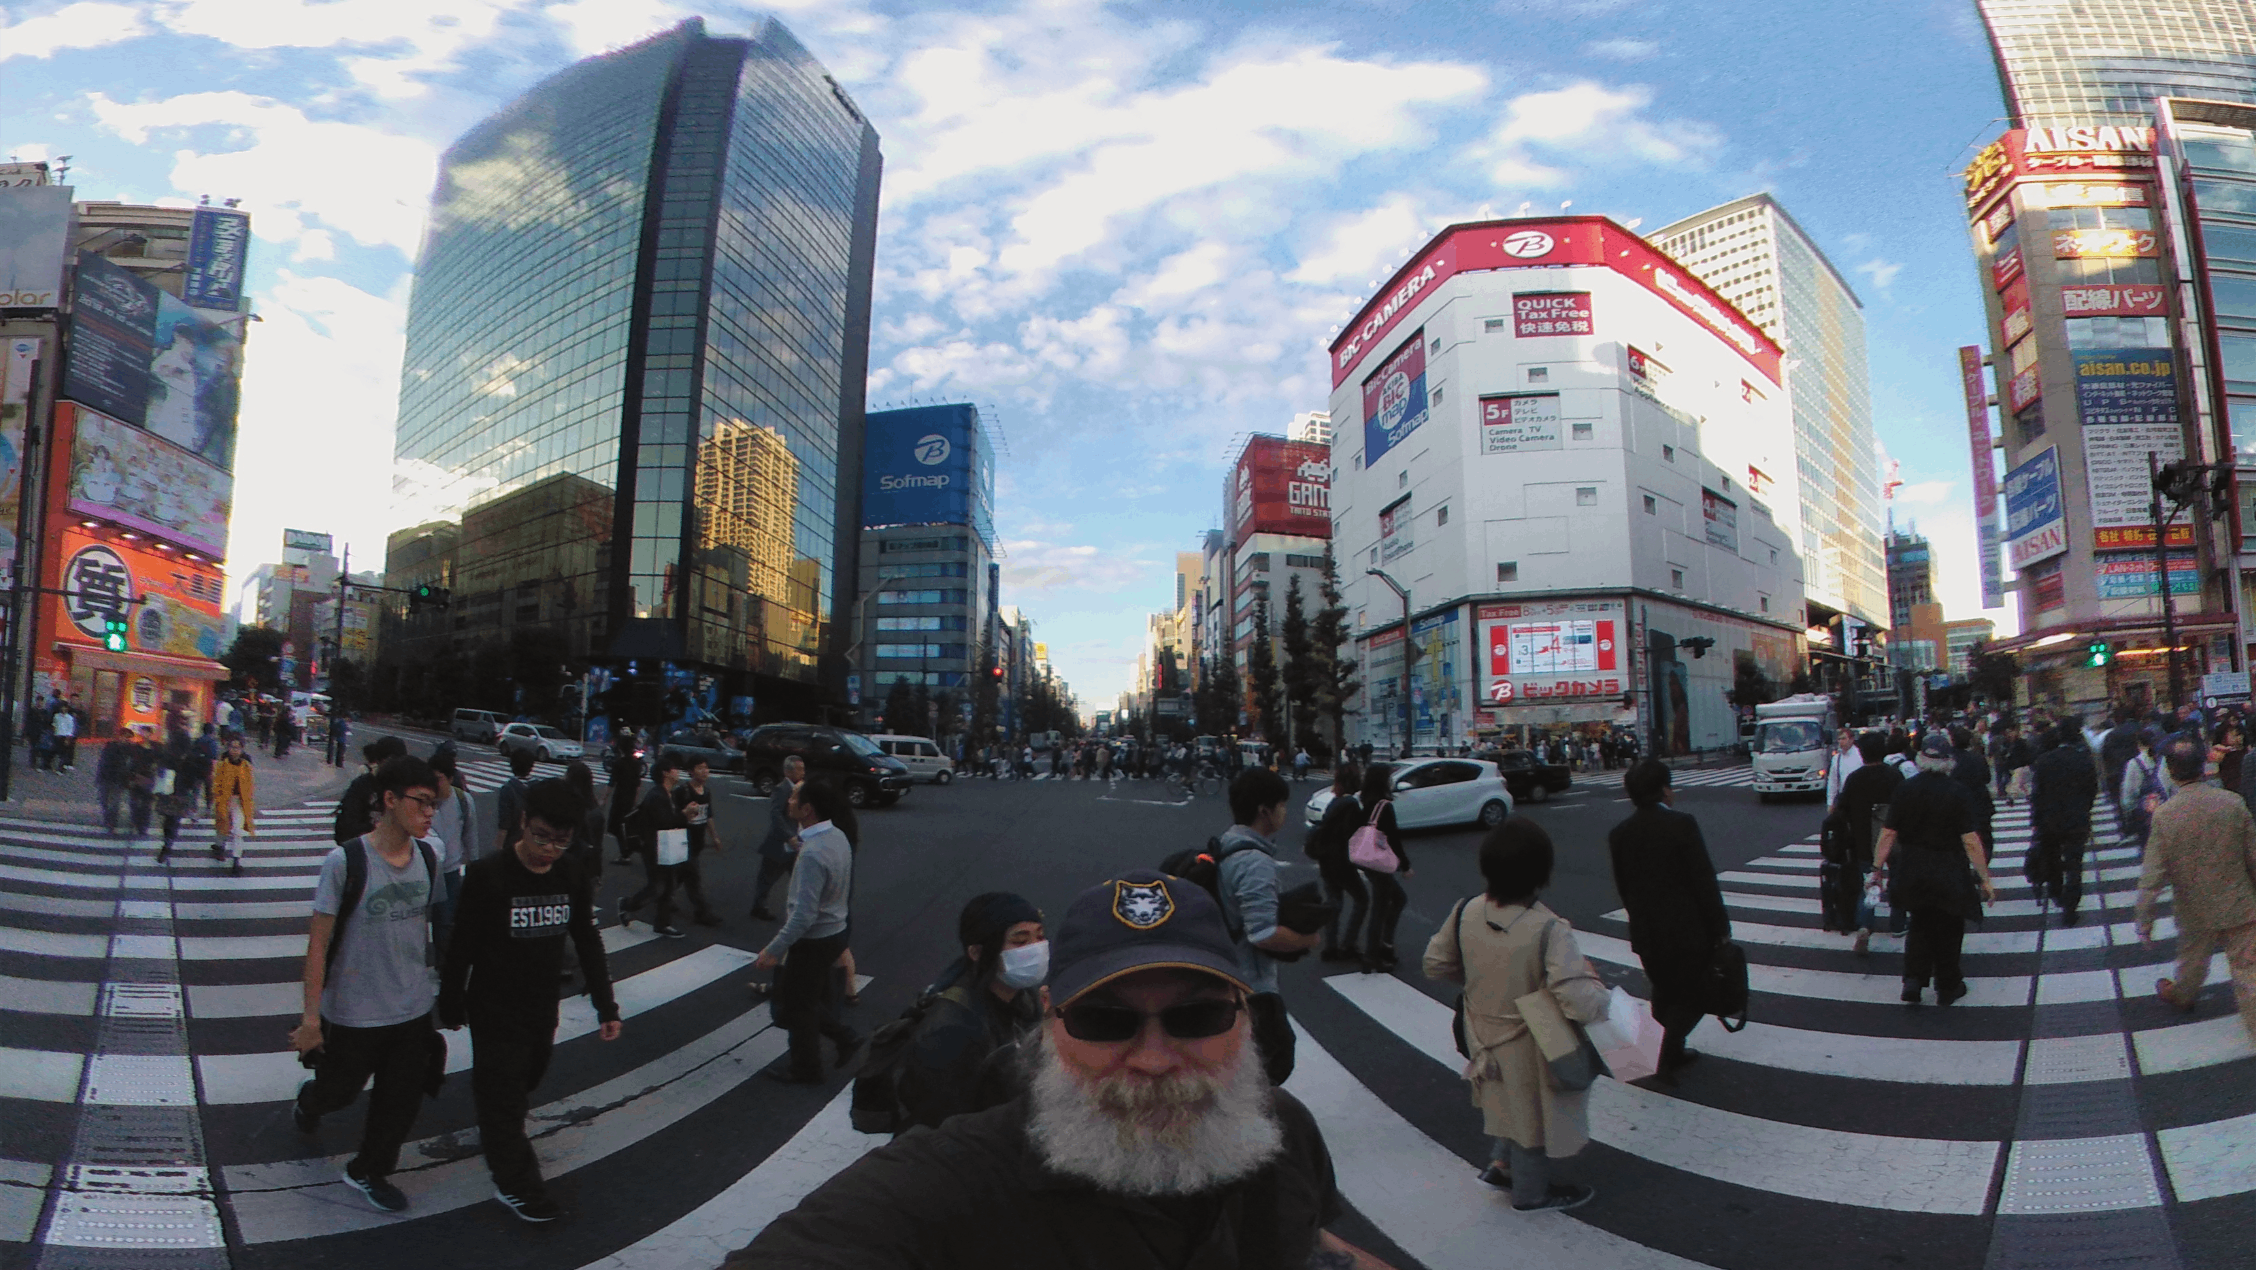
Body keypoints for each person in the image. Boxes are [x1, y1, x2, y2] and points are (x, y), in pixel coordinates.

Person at [727, 868, 1390, 1269]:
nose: (1155, 1060)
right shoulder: (966, 1174)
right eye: (1106, 1022)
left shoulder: (1282, 1130)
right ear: (1051, 1019)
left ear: (1244, 1013)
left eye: (1196, 1018)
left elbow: (1304, 1239)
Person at [438, 778, 621, 1223]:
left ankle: (499, 1128)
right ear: (523, 822)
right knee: (502, 1096)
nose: (548, 850)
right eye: (540, 836)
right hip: (493, 1006)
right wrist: (451, 998)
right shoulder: (487, 875)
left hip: (542, 1004)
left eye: (561, 840)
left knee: (527, 1079)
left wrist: (605, 1004)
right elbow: (460, 943)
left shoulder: (569, 873)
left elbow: (586, 937)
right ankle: (517, 1183)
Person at [1425, 818, 1608, 1212]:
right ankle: (1531, 1193)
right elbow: (1576, 999)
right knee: (1533, 1119)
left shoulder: (1466, 910)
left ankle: (1500, 1165)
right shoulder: (1547, 928)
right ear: (1541, 874)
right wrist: (1605, 1001)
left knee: (1506, 1101)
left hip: (1481, 1030)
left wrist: (1478, 980)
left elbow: (1435, 964)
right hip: (1530, 1039)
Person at [290, 755, 447, 1214]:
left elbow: (426, 928)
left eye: (433, 805)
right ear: (390, 800)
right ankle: (311, 1101)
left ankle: (369, 1169)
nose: (429, 813)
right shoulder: (345, 861)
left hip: (412, 1009)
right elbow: (318, 944)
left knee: (400, 1101)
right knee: (339, 1091)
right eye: (421, 802)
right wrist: (311, 1019)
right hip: (354, 1011)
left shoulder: (428, 857)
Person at [1606, 759, 1729, 1080]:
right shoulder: (1682, 825)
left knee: (1663, 991)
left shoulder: (1619, 835)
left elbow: (1625, 887)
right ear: (1664, 789)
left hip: (1647, 933)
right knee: (1696, 995)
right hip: (1688, 932)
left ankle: (1660, 1053)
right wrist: (1720, 929)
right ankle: (1667, 1052)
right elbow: (1703, 882)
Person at [894, 892, 1047, 1131]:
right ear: (977, 953)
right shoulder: (951, 1031)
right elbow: (940, 1122)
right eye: (1019, 941)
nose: (1036, 949)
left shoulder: (1023, 994)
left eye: (1040, 937)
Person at [2137, 739, 2256, 1043]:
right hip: (2238, 900)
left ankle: (2183, 996)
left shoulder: (2165, 815)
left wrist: (2145, 919)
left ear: (2171, 772)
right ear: (2204, 766)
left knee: (2191, 963)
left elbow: (2152, 875)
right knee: (2247, 971)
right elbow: (2252, 855)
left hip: (2193, 907)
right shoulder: (2232, 802)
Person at [1210, 767, 1323, 1084]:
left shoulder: (1226, 843)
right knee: (1270, 1065)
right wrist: (1307, 939)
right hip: (1252, 987)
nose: (1285, 812)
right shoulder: (1254, 861)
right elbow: (1263, 934)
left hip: (1228, 975)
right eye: (1283, 805)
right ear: (1265, 810)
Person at [1873, 734, 1998, 1007]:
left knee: (1919, 922)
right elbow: (1970, 840)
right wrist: (1985, 878)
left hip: (1912, 866)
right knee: (1949, 926)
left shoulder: (1905, 789)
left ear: (1921, 760)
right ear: (1948, 762)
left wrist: (1876, 868)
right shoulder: (1957, 791)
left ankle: (1913, 980)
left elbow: (1888, 833)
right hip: (1948, 868)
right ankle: (1947, 985)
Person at [754, 778, 861, 1084]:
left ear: (807, 809)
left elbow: (803, 916)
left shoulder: (812, 852)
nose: (788, 801)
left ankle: (807, 1068)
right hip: (835, 931)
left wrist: (773, 950)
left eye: (794, 798)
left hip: (814, 940)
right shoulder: (837, 835)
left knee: (797, 1007)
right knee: (805, 999)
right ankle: (846, 1038)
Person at [1826, 732, 1902, 954]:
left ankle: (1865, 925)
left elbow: (1842, 809)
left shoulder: (1855, 779)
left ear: (1862, 753)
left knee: (1869, 884)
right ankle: (1898, 924)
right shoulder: (1894, 776)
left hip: (1863, 840)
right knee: (1896, 879)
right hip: (1892, 838)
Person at [2029, 719, 2100, 925]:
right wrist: (2084, 809)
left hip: (2049, 819)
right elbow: (2092, 790)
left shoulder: (2044, 761)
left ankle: (2056, 892)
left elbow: (2037, 794)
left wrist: (2035, 818)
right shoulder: (2084, 760)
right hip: (2076, 818)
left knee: (2052, 857)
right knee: (2074, 863)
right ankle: (2071, 906)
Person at [618, 752, 690, 940]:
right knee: (658, 886)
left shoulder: (668, 794)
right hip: (654, 847)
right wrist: (685, 814)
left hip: (666, 846)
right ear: (666, 773)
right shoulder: (657, 795)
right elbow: (664, 822)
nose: (678, 772)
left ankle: (662, 923)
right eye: (675, 769)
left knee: (667, 886)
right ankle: (627, 904)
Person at [1306, 763, 1371, 965]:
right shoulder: (1351, 805)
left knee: (1334, 902)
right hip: (1342, 862)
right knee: (1362, 899)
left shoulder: (1335, 802)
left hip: (1327, 860)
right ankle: (1348, 945)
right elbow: (1352, 836)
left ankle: (1330, 947)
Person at [1353, 763, 1414, 970]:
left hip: (1368, 860)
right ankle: (1374, 954)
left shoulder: (1366, 801)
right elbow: (1393, 838)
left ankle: (1384, 946)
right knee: (1382, 906)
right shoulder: (1384, 805)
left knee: (1396, 900)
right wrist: (1405, 865)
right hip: (1379, 863)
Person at [424, 752, 481, 949]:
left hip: (449, 871)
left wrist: (473, 864)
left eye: (438, 778)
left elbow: (470, 834)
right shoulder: (423, 800)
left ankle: (442, 967)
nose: (434, 784)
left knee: (445, 921)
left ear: (449, 778)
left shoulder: (463, 801)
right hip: (423, 870)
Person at [750, 756, 804, 921]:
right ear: (788, 771)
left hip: (796, 840)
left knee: (800, 877)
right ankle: (759, 906)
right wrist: (789, 836)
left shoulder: (800, 788)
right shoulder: (782, 789)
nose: (803, 772)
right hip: (780, 842)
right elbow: (775, 814)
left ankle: (800, 909)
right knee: (767, 877)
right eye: (799, 769)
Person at [671, 756, 723, 927]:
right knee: (693, 878)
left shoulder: (706, 792)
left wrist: (714, 836)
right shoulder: (682, 791)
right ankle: (702, 912)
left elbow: (708, 815)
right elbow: (671, 815)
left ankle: (663, 896)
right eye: (700, 768)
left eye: (706, 768)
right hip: (682, 839)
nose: (705, 771)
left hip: (697, 840)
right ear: (691, 771)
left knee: (680, 875)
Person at [334, 736, 408, 845]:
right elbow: (346, 827)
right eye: (390, 761)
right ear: (378, 761)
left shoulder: (408, 786)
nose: (395, 767)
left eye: (400, 762)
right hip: (366, 848)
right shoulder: (362, 785)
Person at [153, 728, 211, 865]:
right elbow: (200, 773)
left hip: (169, 792)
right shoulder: (190, 756)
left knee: (168, 820)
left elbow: (160, 769)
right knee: (174, 820)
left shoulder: (168, 755)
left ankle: (167, 845)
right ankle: (168, 844)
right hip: (181, 793)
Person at [210, 734, 256, 868]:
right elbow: (217, 781)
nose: (234, 750)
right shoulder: (223, 761)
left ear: (242, 749)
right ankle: (219, 847)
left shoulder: (246, 763)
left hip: (240, 801)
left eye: (238, 747)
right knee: (222, 825)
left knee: (237, 830)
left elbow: (250, 783)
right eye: (232, 747)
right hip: (224, 799)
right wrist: (217, 797)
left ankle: (236, 859)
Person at [605, 735, 644, 865]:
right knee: (627, 826)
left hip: (619, 799)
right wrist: (635, 801)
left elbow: (612, 783)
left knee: (615, 826)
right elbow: (638, 784)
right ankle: (628, 850)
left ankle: (626, 853)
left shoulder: (619, 763)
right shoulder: (636, 764)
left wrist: (603, 799)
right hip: (630, 799)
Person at [496, 750, 535, 857]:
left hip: (513, 843)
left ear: (512, 766)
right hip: (535, 842)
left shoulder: (508, 789)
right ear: (531, 767)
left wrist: (498, 848)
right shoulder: (538, 787)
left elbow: (504, 824)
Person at [1824, 727, 1862, 805]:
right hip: (1844, 798)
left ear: (1852, 739)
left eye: (1844, 738)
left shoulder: (1861, 755)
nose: (1841, 741)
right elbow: (1833, 781)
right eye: (1839, 739)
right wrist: (1830, 802)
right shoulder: (1837, 758)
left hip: (1859, 798)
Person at [50, 701, 78, 773]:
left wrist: (68, 738)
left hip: (65, 736)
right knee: (54, 752)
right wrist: (53, 732)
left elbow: (70, 729)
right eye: (62, 707)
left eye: (65, 707)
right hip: (57, 736)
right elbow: (54, 725)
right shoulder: (56, 716)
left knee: (63, 754)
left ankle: (61, 769)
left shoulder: (69, 718)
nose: (63, 708)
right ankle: (51, 766)